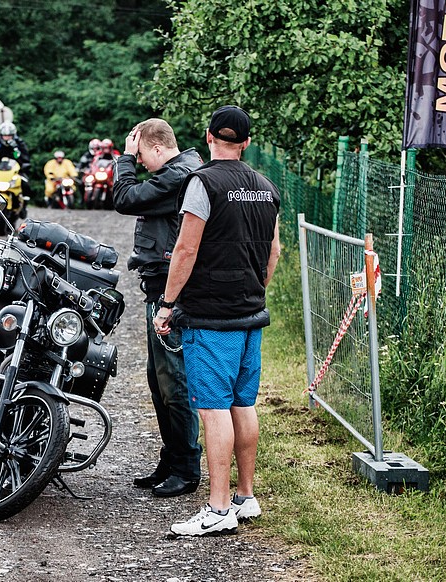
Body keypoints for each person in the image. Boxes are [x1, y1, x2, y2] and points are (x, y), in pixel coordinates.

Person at [153, 105, 281, 537]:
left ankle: (218, 508)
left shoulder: (202, 182)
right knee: (243, 403)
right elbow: (273, 252)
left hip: (210, 317)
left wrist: (167, 304)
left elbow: (186, 249)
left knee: (213, 409)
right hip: (250, 313)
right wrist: (254, 291)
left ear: (209, 137)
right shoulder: (267, 187)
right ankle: (245, 497)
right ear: (246, 142)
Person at [112, 118, 204, 498]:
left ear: (155, 147)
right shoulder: (176, 172)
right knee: (159, 379)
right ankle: (171, 459)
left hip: (172, 293)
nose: (140, 164)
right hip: (160, 288)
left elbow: (124, 198)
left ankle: (186, 467)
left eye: (141, 156)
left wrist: (124, 158)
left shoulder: (178, 175)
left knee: (174, 381)